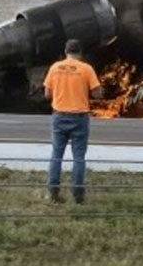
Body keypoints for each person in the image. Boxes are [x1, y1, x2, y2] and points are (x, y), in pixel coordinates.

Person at [43, 38, 102, 203]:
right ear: (80, 53)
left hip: (60, 115)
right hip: (79, 117)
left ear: (65, 52)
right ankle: (78, 195)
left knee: (56, 155)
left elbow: (47, 94)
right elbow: (98, 93)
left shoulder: (55, 67)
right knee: (78, 157)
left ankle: (53, 193)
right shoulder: (86, 69)